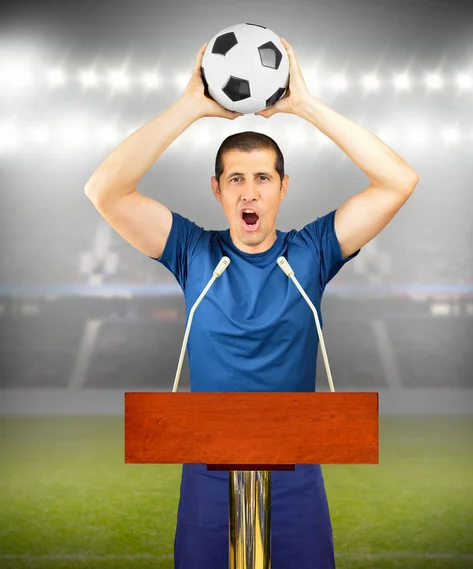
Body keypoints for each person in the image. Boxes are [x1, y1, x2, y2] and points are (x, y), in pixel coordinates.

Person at [85, 37, 418, 569]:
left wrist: (304, 105)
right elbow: (104, 190)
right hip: (209, 473)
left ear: (283, 187)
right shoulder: (194, 252)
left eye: (263, 178)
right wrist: (190, 107)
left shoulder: (310, 253)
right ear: (216, 189)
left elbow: (399, 181)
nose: (249, 193)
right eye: (236, 179)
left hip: (294, 473)